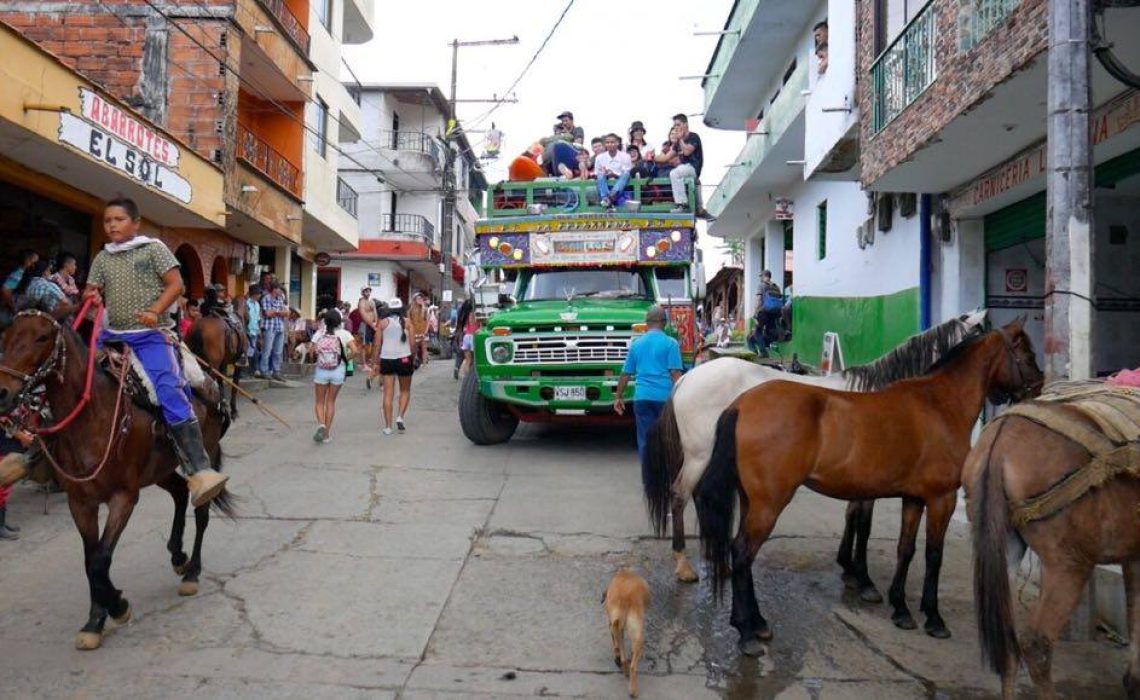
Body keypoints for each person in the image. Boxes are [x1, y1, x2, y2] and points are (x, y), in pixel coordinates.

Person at [82, 197, 227, 507]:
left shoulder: (153, 249)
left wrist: (155, 310)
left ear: (135, 223)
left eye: (119, 220)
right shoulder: (102, 258)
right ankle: (39, 453)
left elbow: (177, 286)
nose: (112, 225)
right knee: (77, 378)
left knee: (167, 388)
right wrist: (92, 294)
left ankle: (199, 468)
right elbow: (91, 288)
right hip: (110, 334)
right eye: (108, 221)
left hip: (150, 335)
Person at [613, 306, 683, 471]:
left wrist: (618, 397)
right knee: (667, 437)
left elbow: (625, 374)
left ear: (647, 324)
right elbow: (675, 374)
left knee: (645, 439)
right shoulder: (670, 344)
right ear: (664, 323)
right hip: (664, 399)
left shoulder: (637, 344)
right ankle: (666, 474)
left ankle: (649, 477)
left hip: (642, 398)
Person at [310, 309, 356, 444]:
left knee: (319, 401)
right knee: (331, 402)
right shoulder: (345, 334)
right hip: (338, 371)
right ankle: (326, 434)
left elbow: (311, 352)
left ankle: (321, 425)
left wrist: (319, 357)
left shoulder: (319, 334)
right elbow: (355, 350)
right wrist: (345, 359)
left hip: (321, 370)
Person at [375, 298, 414, 436]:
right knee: (405, 391)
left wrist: (376, 362)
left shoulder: (382, 323)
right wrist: (412, 358)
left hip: (387, 359)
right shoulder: (408, 322)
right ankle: (400, 417)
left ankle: (387, 427)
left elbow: (377, 344)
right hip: (404, 358)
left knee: (387, 394)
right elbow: (412, 344)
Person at [664, 114, 704, 214]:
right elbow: (665, 157)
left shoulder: (693, 136)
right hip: (685, 168)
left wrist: (680, 139)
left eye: (678, 125)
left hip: (693, 168)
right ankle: (694, 206)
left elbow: (686, 152)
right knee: (676, 172)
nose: (676, 128)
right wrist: (651, 156)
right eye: (675, 126)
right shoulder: (677, 142)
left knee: (675, 173)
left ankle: (682, 204)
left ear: (685, 124)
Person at [748, 270, 784, 357]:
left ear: (764, 276)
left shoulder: (762, 285)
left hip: (764, 312)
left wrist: (755, 313)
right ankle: (770, 346)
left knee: (757, 332)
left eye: (761, 276)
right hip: (775, 313)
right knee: (770, 331)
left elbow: (759, 299)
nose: (760, 278)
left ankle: (763, 352)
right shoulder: (776, 287)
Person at [1, 250, 39, 328]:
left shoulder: (19, 271)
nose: (33, 266)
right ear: (27, 260)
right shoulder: (18, 273)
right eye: (33, 262)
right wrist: (13, 306)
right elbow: (5, 290)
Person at [258, 282, 287, 381]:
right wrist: (279, 312)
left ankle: (276, 371)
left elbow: (286, 313)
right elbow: (267, 313)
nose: (281, 291)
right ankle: (264, 371)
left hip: (279, 327)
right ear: (274, 289)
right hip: (269, 327)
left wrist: (275, 312)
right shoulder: (266, 298)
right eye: (279, 289)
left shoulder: (281, 299)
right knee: (267, 350)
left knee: (278, 351)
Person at [595, 133, 632, 208]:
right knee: (600, 174)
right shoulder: (599, 157)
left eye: (612, 142)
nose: (610, 144)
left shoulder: (625, 156)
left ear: (617, 143)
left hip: (621, 185)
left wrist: (614, 174)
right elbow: (597, 174)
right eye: (607, 142)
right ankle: (606, 198)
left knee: (626, 174)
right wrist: (605, 173)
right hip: (606, 184)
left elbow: (625, 174)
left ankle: (610, 198)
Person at [357, 286, 379, 369]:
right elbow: (364, 316)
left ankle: (371, 361)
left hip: (373, 325)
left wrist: (376, 323)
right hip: (365, 325)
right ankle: (363, 364)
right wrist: (372, 325)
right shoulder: (361, 302)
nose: (367, 292)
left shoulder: (372, 302)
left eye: (369, 290)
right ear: (362, 292)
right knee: (364, 345)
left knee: (374, 343)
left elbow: (375, 313)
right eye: (365, 291)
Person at [458, 301, 480, 379]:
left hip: (466, 337)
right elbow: (480, 327)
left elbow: (463, 327)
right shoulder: (478, 314)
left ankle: (466, 377)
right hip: (474, 336)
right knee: (475, 360)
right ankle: (473, 378)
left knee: (468, 360)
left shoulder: (465, 315)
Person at [408, 292, 429, 367]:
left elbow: (427, 322)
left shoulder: (425, 310)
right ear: (414, 300)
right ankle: (412, 363)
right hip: (414, 332)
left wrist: (426, 331)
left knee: (424, 349)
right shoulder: (411, 310)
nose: (420, 300)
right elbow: (409, 321)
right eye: (418, 298)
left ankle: (424, 364)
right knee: (413, 349)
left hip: (423, 332)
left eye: (421, 298)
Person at [245, 287, 262, 366]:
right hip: (247, 330)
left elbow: (258, 318)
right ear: (255, 294)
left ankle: (249, 368)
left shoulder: (257, 304)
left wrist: (259, 330)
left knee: (251, 350)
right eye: (259, 294)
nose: (260, 296)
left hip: (255, 330)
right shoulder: (246, 303)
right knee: (246, 350)